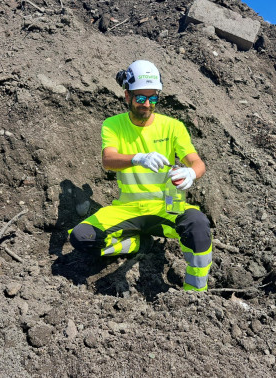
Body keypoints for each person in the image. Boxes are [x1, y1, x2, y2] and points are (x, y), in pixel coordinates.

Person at [69, 60, 212, 291]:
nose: (147, 104)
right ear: (127, 96)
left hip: (166, 208)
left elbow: (197, 162)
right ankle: (135, 244)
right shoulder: (112, 125)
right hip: (128, 209)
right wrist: (137, 158)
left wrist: (191, 173)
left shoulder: (173, 127)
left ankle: (195, 292)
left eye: (153, 98)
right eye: (141, 98)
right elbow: (108, 160)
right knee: (82, 236)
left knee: (198, 224)